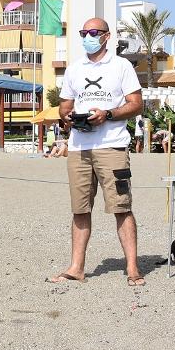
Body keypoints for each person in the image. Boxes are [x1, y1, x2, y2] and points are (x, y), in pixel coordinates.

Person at [48, 17, 146, 286]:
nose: (87, 37)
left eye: (93, 32)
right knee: (79, 209)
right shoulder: (74, 69)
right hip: (79, 147)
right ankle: (76, 267)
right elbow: (64, 105)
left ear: (106, 36)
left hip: (112, 146)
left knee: (121, 207)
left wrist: (109, 114)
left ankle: (133, 268)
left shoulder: (121, 66)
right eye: (83, 32)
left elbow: (136, 104)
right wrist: (68, 117)